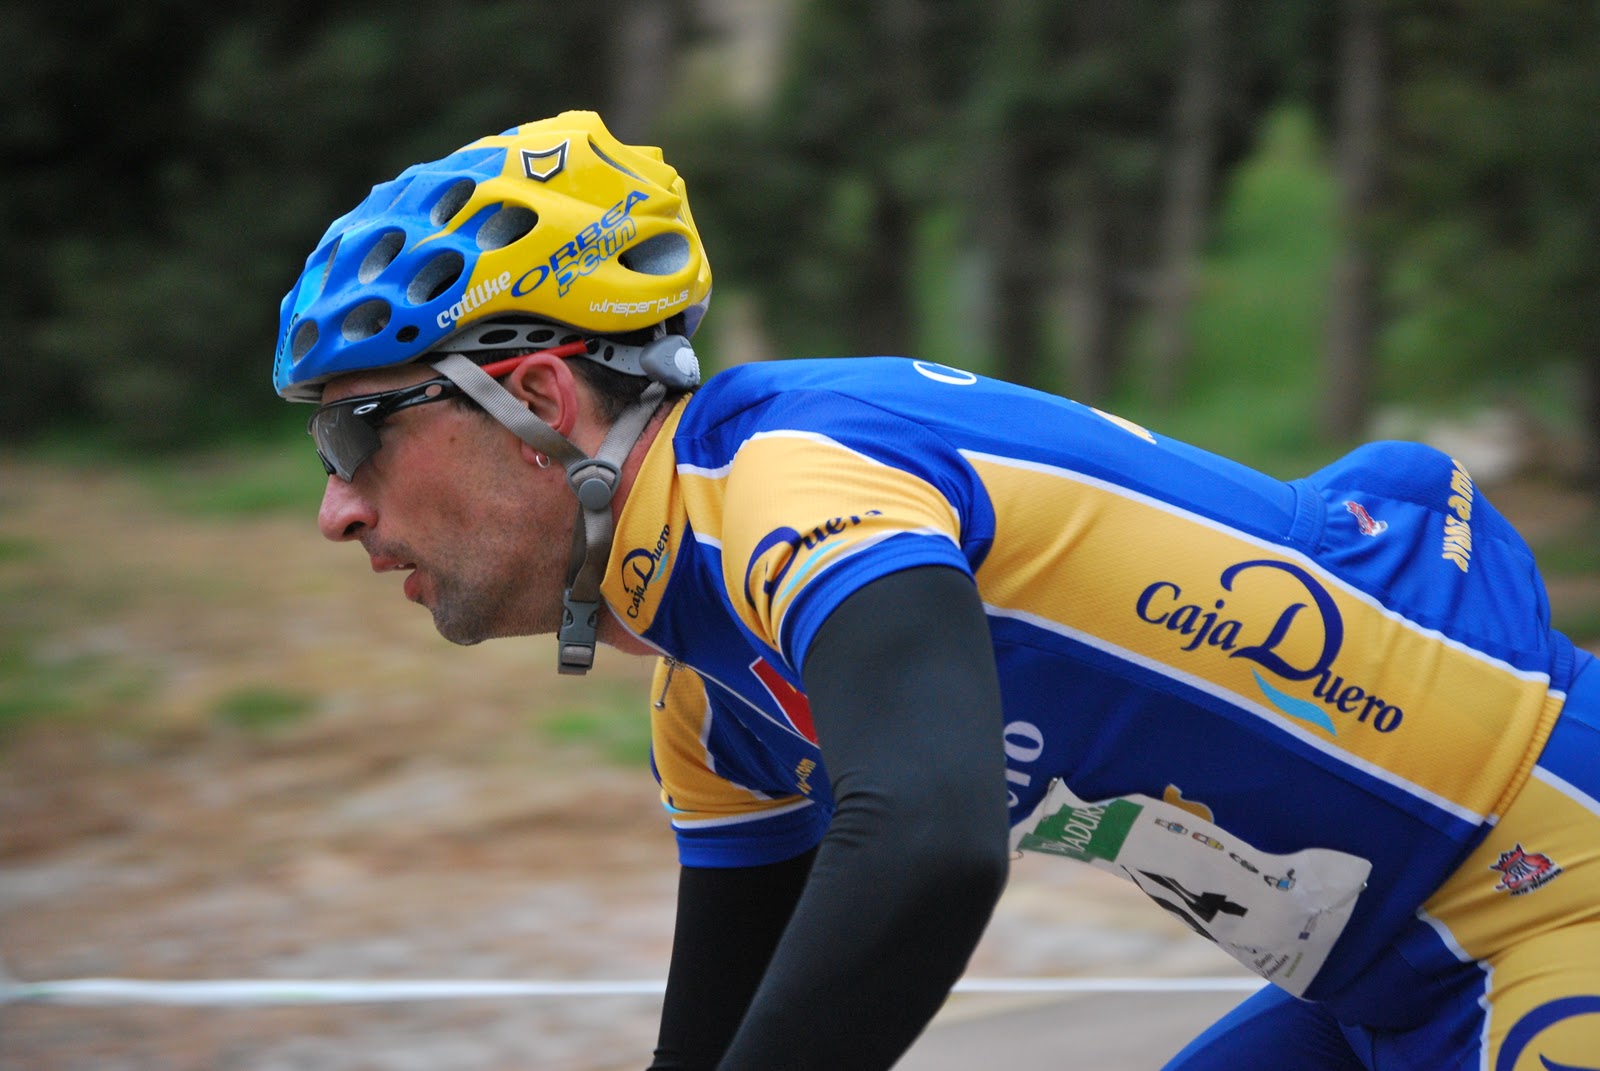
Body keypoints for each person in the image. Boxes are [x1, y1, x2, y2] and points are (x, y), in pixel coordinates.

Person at [273, 111, 1600, 1070]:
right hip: (1383, 982)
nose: (337, 508)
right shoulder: (714, 703)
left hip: (1555, 882)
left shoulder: (788, 483)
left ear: (537, 400)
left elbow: (928, 842)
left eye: (354, 433)